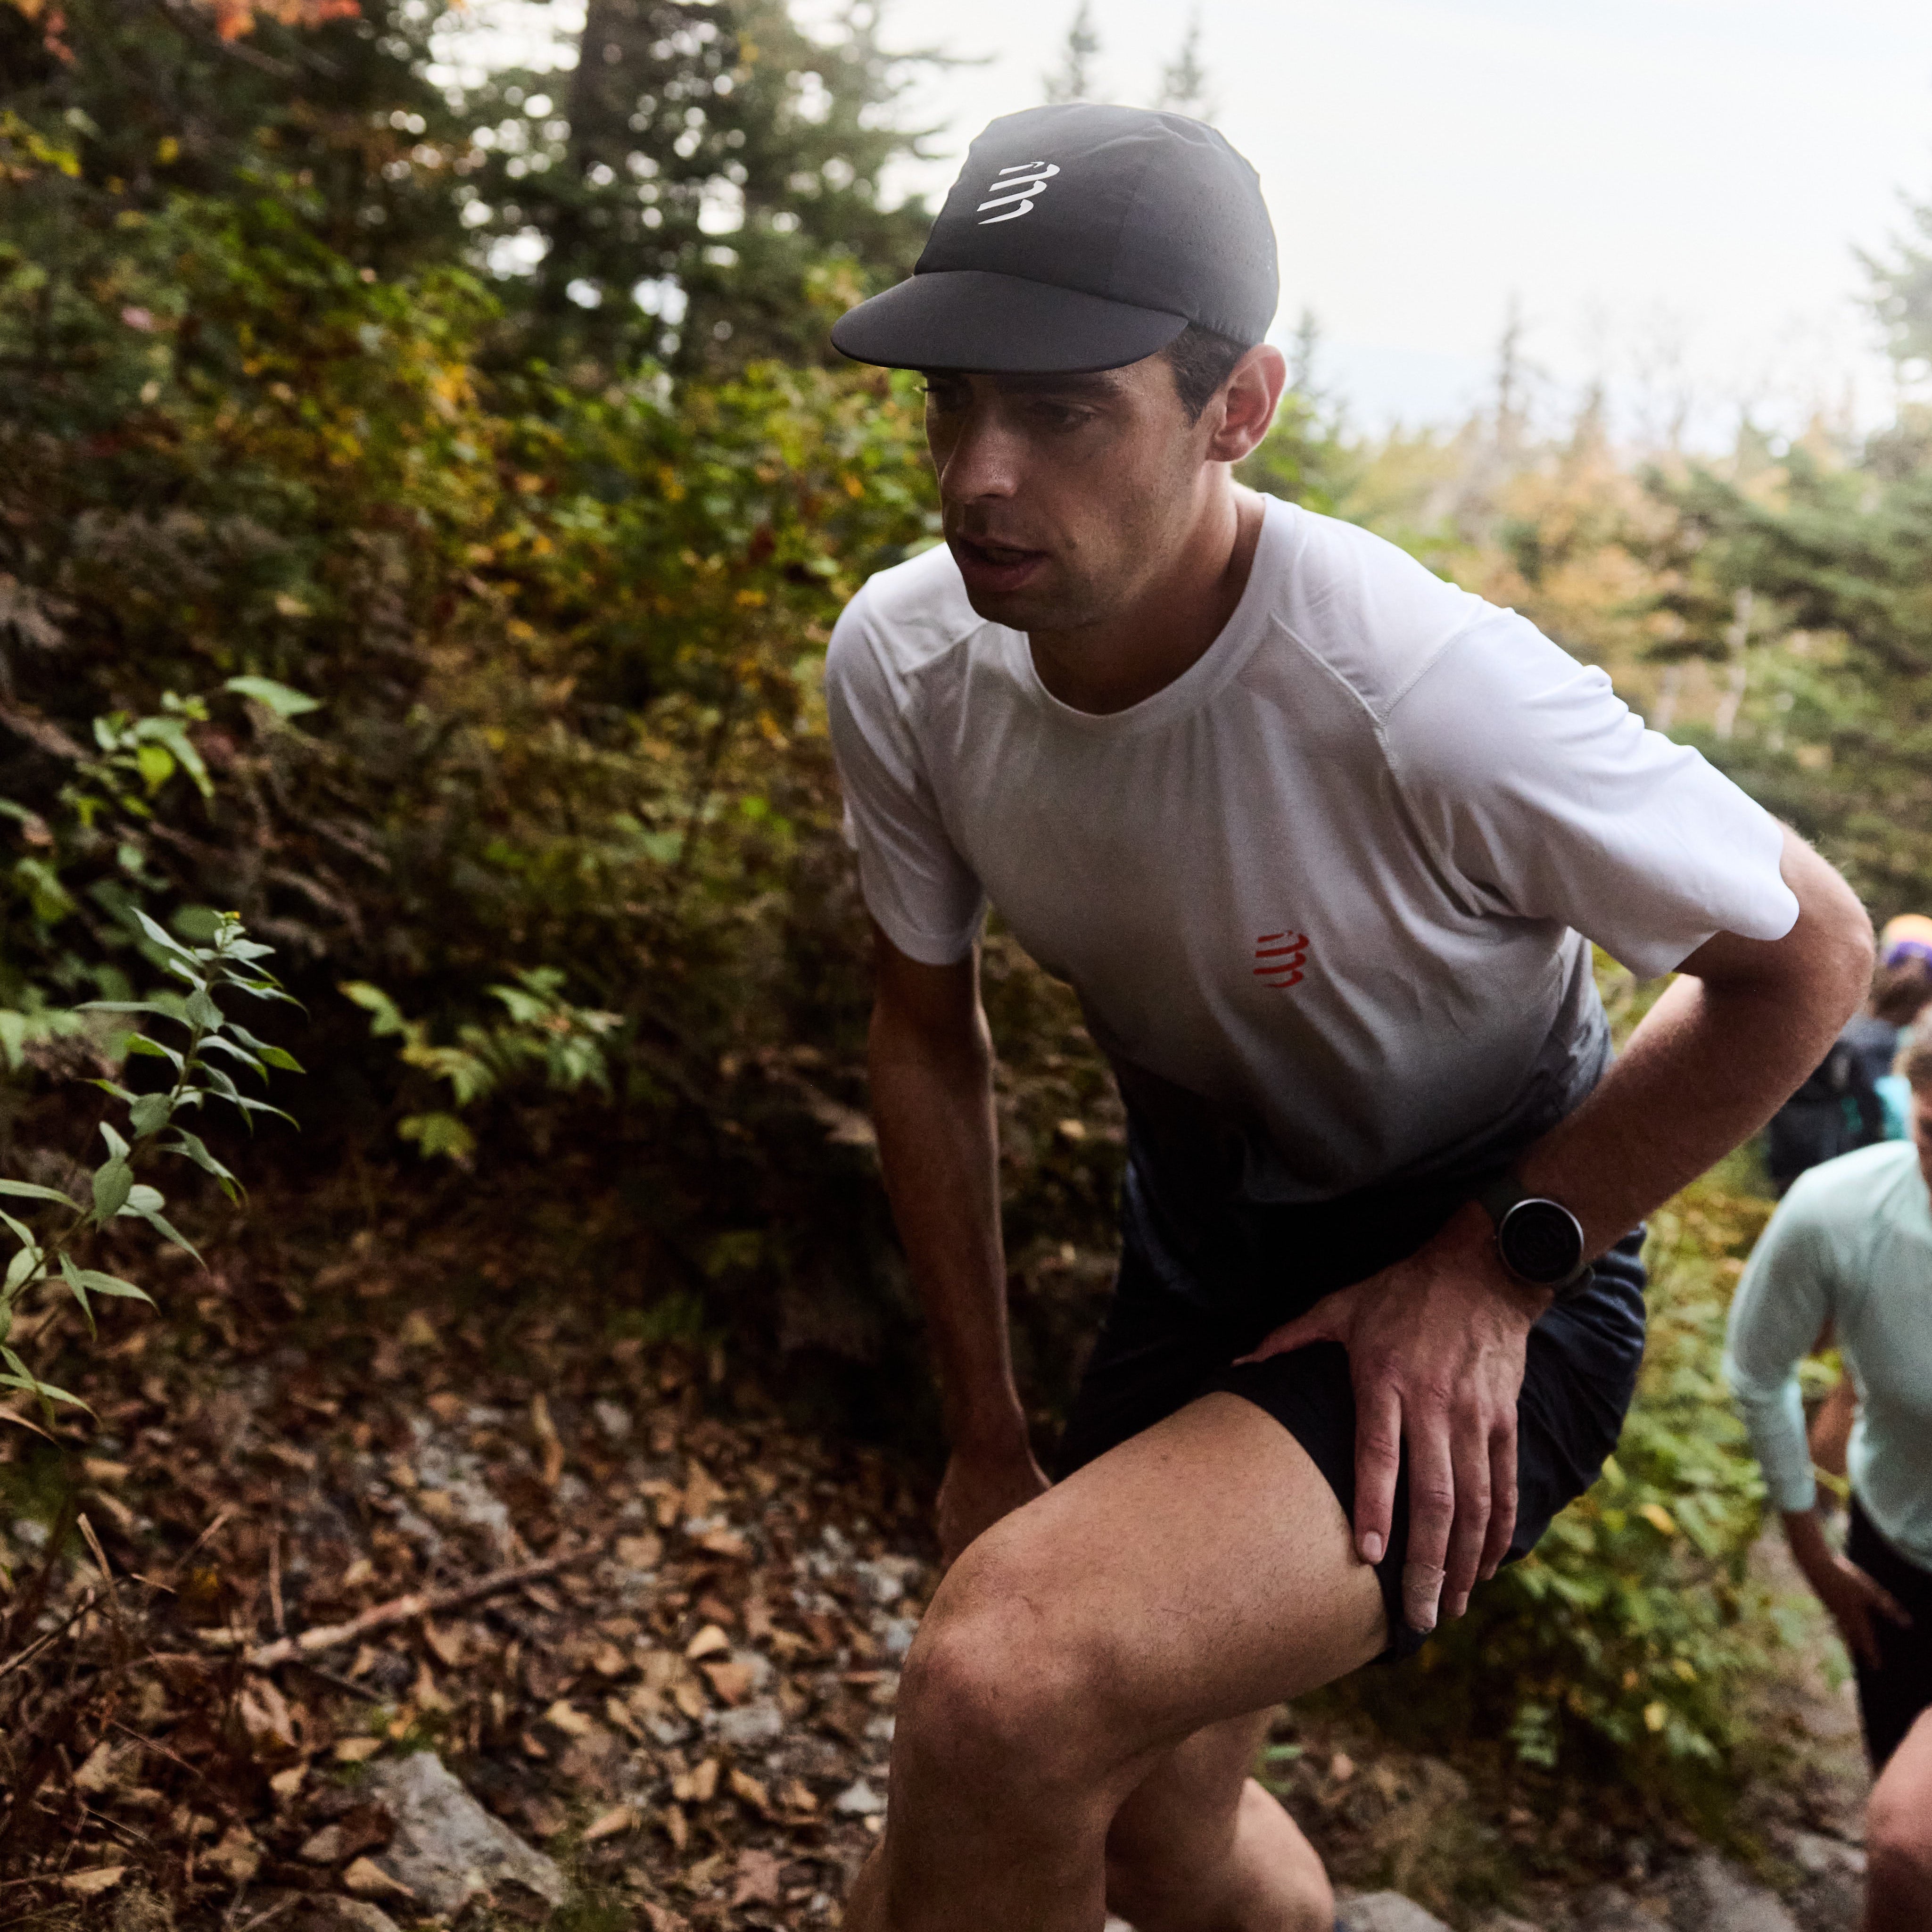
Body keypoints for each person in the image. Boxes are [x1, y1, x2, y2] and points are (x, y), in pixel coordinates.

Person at [823, 101, 1874, 1932]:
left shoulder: (1418, 686)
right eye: (950, 400)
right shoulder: (909, 662)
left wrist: (1495, 1266)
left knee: (996, 1691)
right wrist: (983, 1417)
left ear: (1238, 408)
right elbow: (927, 1030)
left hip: (1496, 1256)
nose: (980, 475)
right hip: (1205, 1246)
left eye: (1064, 411)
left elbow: (1810, 952)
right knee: (1152, 1828)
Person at [1725, 1038, 1932, 1932]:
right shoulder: (1842, 1210)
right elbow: (1756, 1366)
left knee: (1906, 1842)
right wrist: (1808, 1545)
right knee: (1895, 1786)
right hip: (1893, 1558)